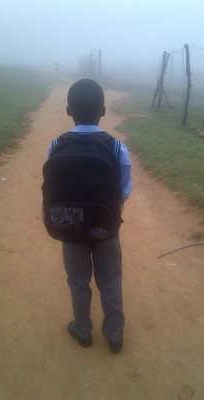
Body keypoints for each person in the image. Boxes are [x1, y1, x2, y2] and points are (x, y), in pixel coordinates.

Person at [46, 79, 132, 353]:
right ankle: (114, 335)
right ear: (103, 111)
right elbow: (124, 192)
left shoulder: (56, 145)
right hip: (106, 228)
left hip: (69, 226)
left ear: (69, 110)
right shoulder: (117, 148)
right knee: (110, 279)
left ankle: (82, 330)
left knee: (78, 280)